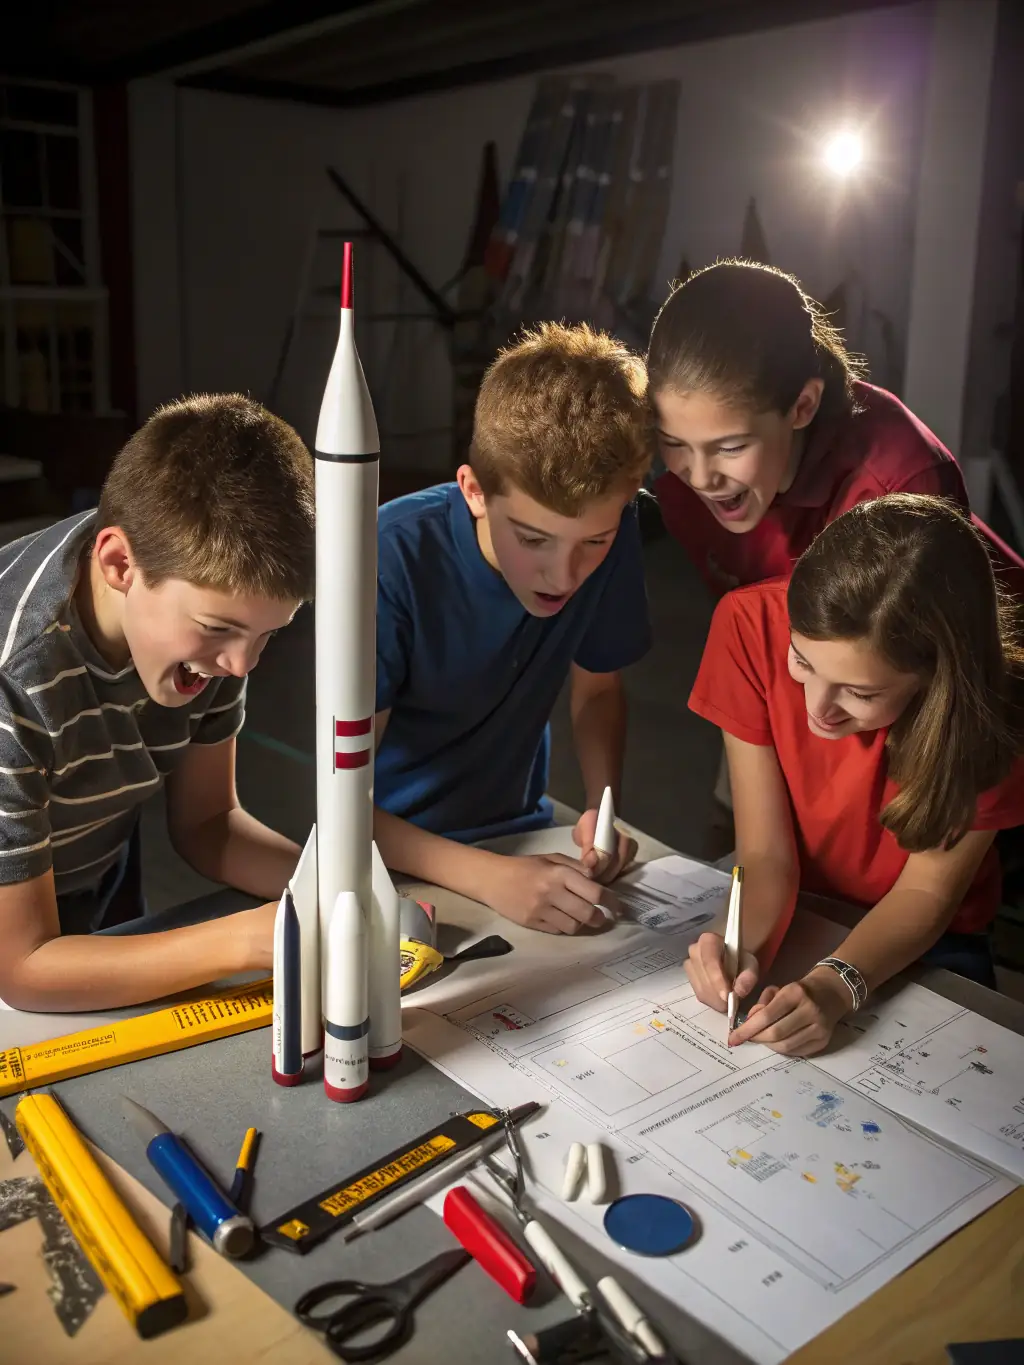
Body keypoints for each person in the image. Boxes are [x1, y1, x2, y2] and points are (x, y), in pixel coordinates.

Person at [646, 258, 1024, 827]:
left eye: (729, 447)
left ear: (802, 406)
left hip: (955, 686)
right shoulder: (683, 486)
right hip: (820, 678)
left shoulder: (899, 481)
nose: (699, 476)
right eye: (674, 442)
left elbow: (912, 685)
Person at [0, 394, 313, 1012]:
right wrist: (249, 939)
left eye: (268, 635)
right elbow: (22, 967)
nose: (242, 665)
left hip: (93, 877)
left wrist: (334, 892)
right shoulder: (13, 676)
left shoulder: (207, 619)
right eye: (218, 628)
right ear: (119, 563)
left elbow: (206, 823)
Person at [685, 494, 1024, 1057]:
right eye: (802, 662)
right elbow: (764, 854)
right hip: (798, 907)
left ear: (937, 679)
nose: (818, 707)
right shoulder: (749, 625)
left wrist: (838, 983)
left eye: (862, 693)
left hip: (931, 936)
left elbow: (927, 891)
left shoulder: (996, 706)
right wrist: (740, 943)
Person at [372, 322, 651, 935]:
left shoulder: (614, 529)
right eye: (532, 539)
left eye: (594, 542)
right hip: (392, 862)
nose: (565, 573)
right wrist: (492, 878)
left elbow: (599, 690)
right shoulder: (388, 560)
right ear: (473, 490)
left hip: (524, 832)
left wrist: (604, 816)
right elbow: (337, 808)